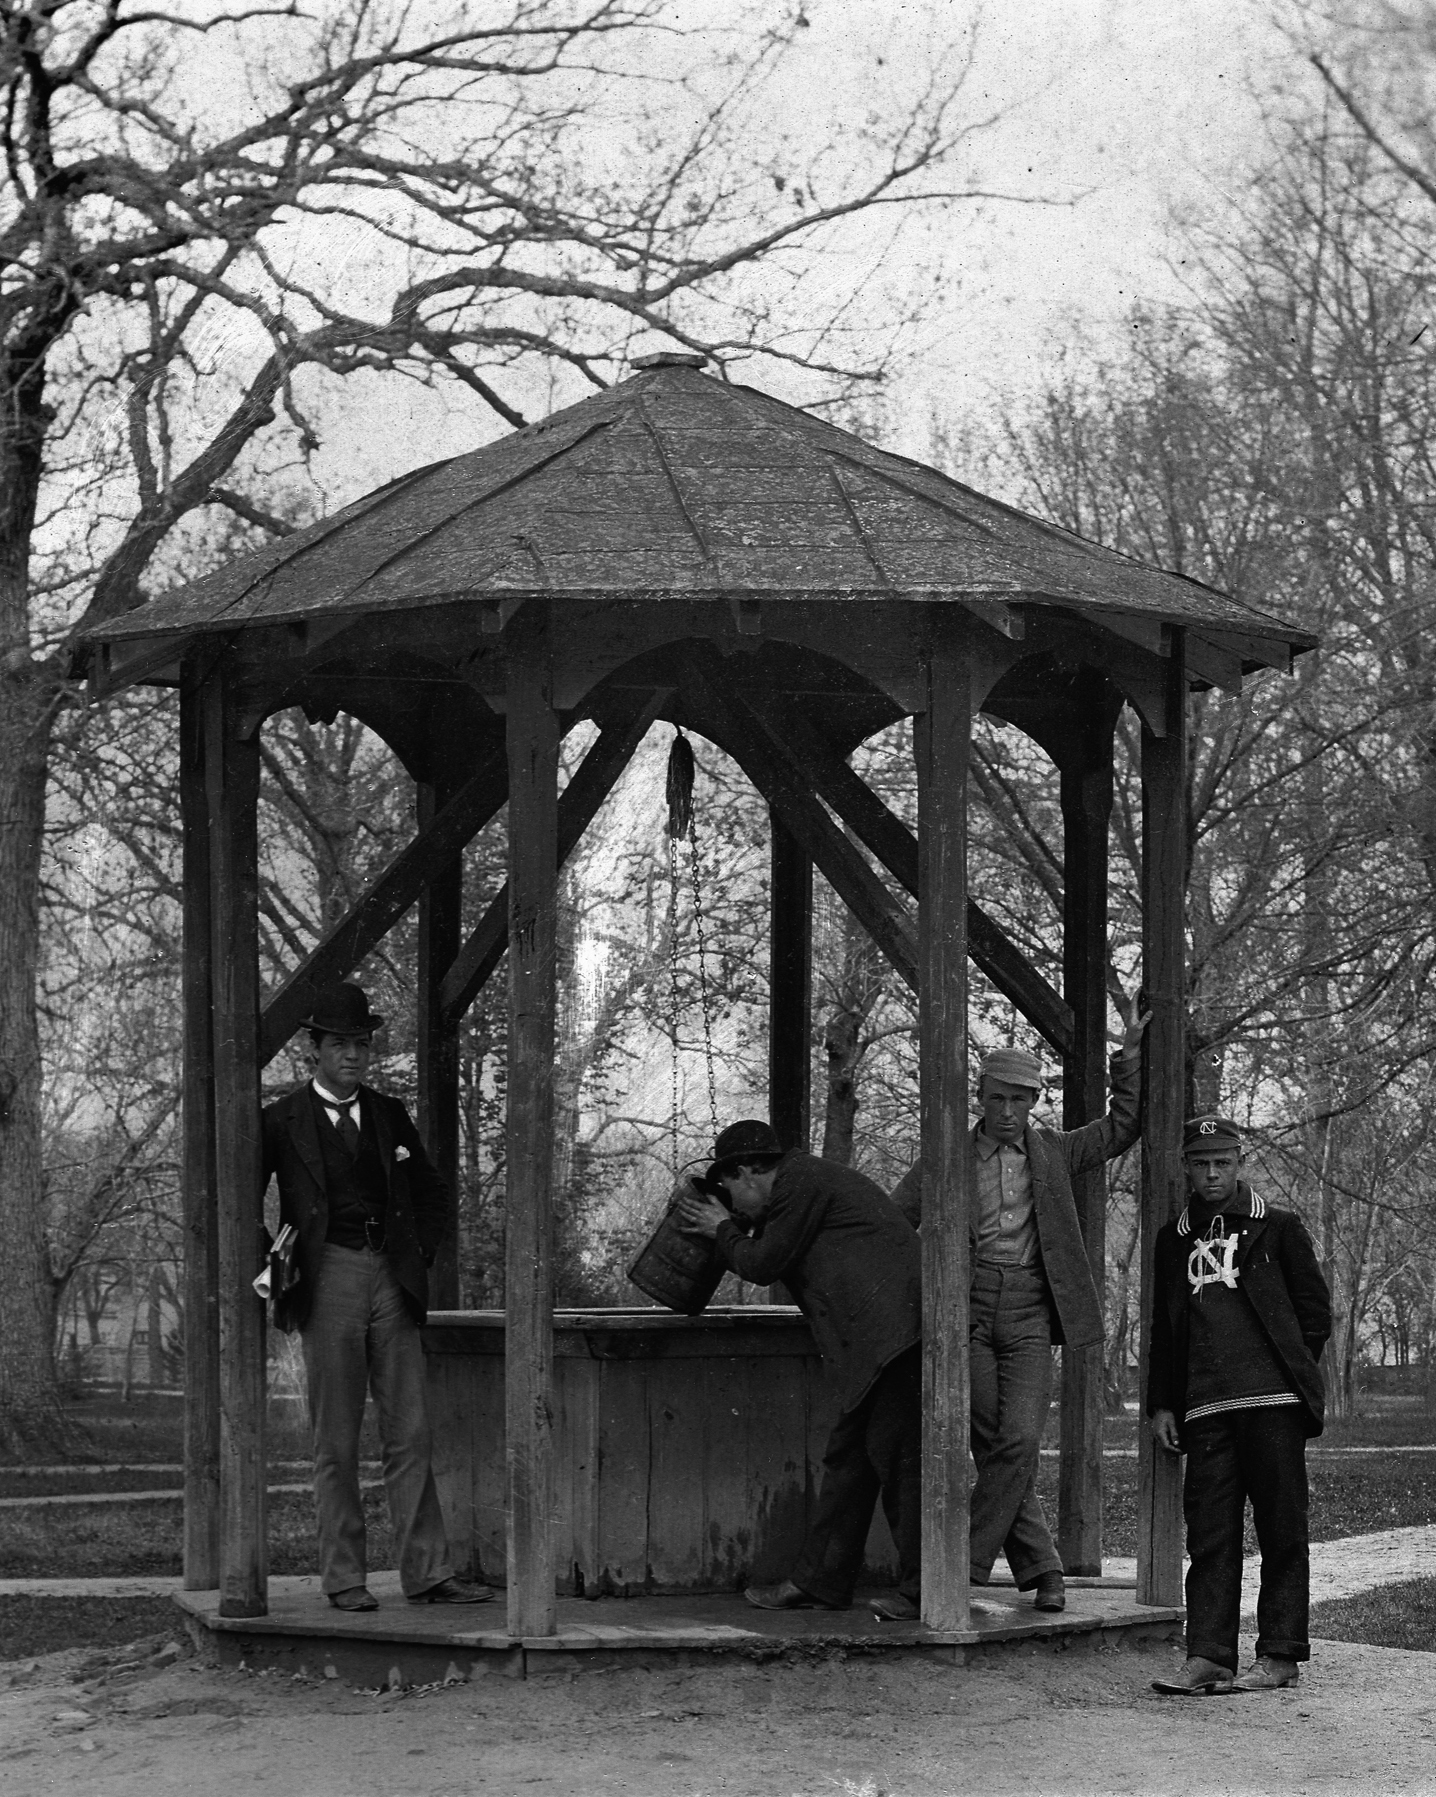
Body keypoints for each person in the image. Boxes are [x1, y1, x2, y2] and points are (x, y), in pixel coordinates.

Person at [891, 1009, 1148, 1613]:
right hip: (968, 1312)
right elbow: (892, 1219)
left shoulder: (1054, 1150)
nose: (1008, 1112)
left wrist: (1129, 1056)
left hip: (1032, 1310)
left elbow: (1123, 1127)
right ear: (980, 1097)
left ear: (1035, 1101)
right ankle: (1044, 1571)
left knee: (1021, 1438)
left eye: (1021, 1101)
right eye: (998, 1099)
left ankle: (960, 1566)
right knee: (992, 1440)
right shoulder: (947, 1156)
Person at [262, 980, 490, 1612]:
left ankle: (427, 1573)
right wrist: (275, 1265)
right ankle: (344, 1578)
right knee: (334, 1440)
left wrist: (417, 1256)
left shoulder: (389, 1114)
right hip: (326, 1276)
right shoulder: (281, 1119)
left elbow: (433, 1192)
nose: (353, 1056)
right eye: (339, 1044)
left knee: (410, 1432)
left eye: (361, 1044)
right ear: (314, 1051)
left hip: (391, 1275)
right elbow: (241, 1199)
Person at [676, 1119, 923, 1621]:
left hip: (896, 1343)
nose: (736, 1208)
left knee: (902, 1468)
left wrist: (719, 1228)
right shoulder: (802, 1185)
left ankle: (926, 1592)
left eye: (731, 1194)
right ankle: (820, 1582)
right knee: (849, 1465)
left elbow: (763, 1263)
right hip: (878, 1345)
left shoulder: (799, 1182)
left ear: (747, 1172)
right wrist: (734, 1228)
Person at [1148, 1115, 1331, 1695]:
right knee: (1209, 1536)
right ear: (1186, 1167)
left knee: (1281, 1530)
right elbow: (1165, 1329)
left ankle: (1280, 1655)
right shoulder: (1173, 1238)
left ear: (1238, 1161)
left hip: (1273, 1404)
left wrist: (1286, 1371)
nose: (1211, 1173)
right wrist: (1162, 1403)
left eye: (1221, 1162)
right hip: (1205, 1410)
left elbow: (1314, 1313)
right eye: (1200, 1163)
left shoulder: (1276, 1226)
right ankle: (1208, 1656)